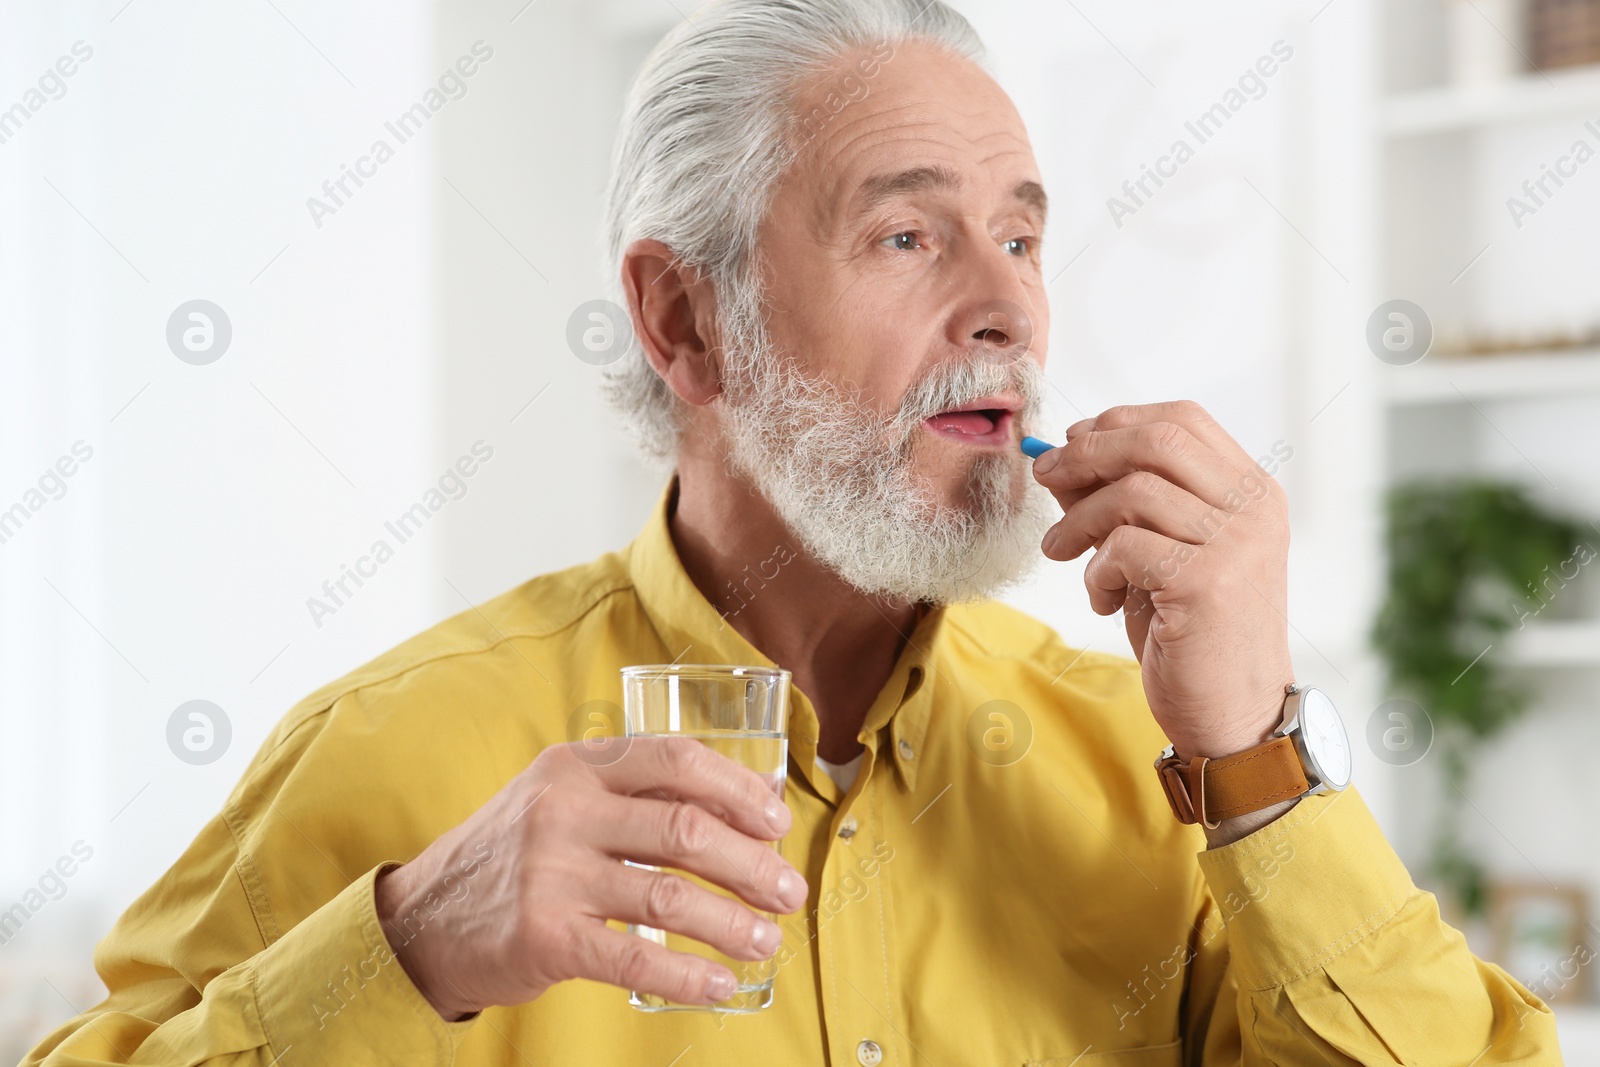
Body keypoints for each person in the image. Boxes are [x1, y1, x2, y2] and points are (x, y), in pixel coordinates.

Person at [26, 0, 1559, 1063]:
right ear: (684, 316)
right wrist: (412, 939)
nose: (1009, 303)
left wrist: (1257, 762)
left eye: (1022, 234)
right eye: (909, 234)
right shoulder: (394, 754)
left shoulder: (1170, 776)